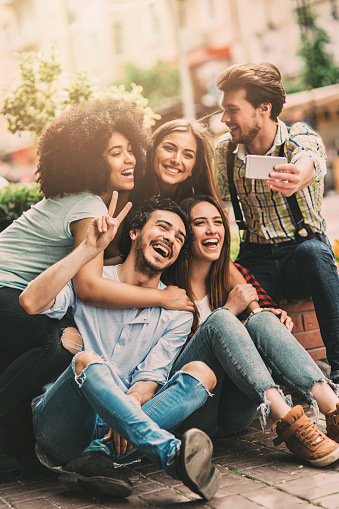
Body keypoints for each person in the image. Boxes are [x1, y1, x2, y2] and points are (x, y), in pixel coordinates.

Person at [19, 196, 221, 501]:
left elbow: (151, 376)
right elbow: (30, 301)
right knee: (88, 360)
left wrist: (131, 402)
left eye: (179, 237)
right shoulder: (93, 280)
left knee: (202, 374)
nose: (171, 238)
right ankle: (171, 454)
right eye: (163, 227)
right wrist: (88, 249)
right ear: (134, 232)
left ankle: (96, 457)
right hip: (62, 426)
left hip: (121, 433)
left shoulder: (178, 310)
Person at [0, 97, 153, 482]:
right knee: (55, 344)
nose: (129, 159)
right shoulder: (87, 205)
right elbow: (89, 287)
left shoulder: (81, 202)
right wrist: (163, 297)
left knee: (59, 339)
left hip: (12, 292)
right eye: (115, 153)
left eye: (130, 150)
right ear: (88, 159)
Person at [165, 195, 339, 467]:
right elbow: (169, 355)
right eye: (200, 223)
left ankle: (333, 409)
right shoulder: (166, 285)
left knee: (261, 319)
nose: (212, 229)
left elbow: (267, 318)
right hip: (193, 412)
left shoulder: (237, 274)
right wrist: (228, 309)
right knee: (222, 319)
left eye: (217, 222)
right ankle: (291, 427)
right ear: (184, 233)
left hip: (235, 414)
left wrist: (277, 319)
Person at [215, 62, 339, 384]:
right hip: (257, 256)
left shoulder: (298, 136)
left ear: (263, 109)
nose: (225, 119)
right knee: (240, 294)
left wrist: (300, 173)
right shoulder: (225, 153)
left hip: (302, 251)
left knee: (315, 253)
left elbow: (310, 157)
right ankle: (277, 386)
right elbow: (212, 203)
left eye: (232, 110)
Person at [133, 118, 220, 206]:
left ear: (193, 168)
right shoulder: (130, 191)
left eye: (187, 155)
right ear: (153, 150)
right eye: (169, 148)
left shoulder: (196, 208)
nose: (176, 160)